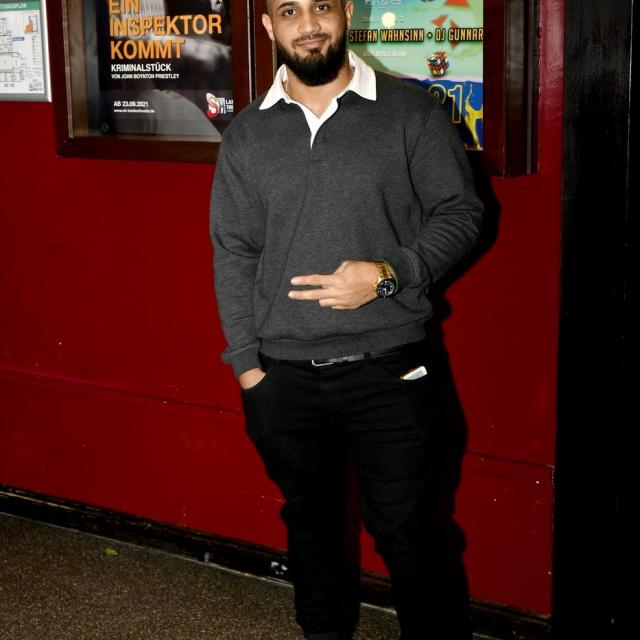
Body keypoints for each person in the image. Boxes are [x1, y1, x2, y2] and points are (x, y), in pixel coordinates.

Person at [209, 1, 483, 638]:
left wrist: (389, 273)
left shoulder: (410, 112)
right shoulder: (248, 134)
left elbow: (461, 213)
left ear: (347, 14)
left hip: (391, 369)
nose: (308, 24)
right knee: (312, 530)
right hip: (283, 378)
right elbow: (234, 252)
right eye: (290, 10)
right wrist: (248, 367)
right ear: (269, 26)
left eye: (322, 7)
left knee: (411, 535)